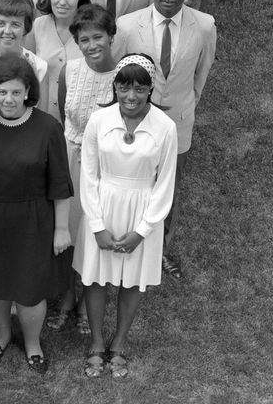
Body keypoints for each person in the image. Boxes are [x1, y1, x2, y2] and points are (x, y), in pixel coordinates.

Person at [75, 54, 178, 378]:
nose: (130, 96)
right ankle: (96, 342)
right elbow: (89, 175)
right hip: (103, 206)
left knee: (131, 281)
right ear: (115, 86)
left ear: (150, 90)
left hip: (141, 211)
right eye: (123, 87)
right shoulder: (99, 120)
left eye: (139, 89)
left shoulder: (165, 127)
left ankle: (119, 343)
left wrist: (143, 231)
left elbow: (165, 183)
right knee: (94, 277)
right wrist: (96, 225)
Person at [0, 55, 73, 374]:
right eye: (2, 92)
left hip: (34, 219)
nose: (8, 99)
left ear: (28, 90)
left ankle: (32, 342)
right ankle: (1, 334)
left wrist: (61, 228)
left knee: (30, 288)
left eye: (16, 92)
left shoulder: (47, 127)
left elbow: (60, 182)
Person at [115, 0, 216, 278]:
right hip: (135, 123)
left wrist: (185, 106)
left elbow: (201, 75)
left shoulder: (204, 25)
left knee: (168, 191)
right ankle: (125, 242)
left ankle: (159, 251)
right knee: (133, 184)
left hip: (178, 123)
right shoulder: (128, 26)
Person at [48, 3, 118, 333]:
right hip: (68, 158)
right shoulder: (69, 71)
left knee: (91, 235)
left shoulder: (123, 78)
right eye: (84, 39)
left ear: (111, 36)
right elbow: (64, 114)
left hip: (104, 168)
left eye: (98, 37)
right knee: (65, 233)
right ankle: (64, 298)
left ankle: (86, 304)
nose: (91, 45)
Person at [33, 0, 94, 115]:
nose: (62, 1)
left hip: (81, 119)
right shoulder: (37, 26)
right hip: (43, 117)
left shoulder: (93, 30)